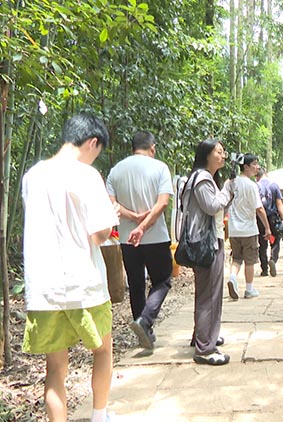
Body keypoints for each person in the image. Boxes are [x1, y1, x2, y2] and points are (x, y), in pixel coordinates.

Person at [22, 112, 120, 422]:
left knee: (55, 369)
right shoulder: (86, 175)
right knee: (103, 351)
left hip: (44, 288)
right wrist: (113, 211)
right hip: (84, 284)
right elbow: (100, 233)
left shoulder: (32, 176)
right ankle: (99, 415)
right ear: (92, 142)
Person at [106, 131, 174, 350]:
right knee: (162, 281)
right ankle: (145, 322)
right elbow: (163, 203)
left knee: (136, 284)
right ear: (152, 147)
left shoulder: (116, 170)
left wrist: (132, 218)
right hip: (155, 237)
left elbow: (111, 204)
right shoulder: (160, 167)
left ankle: (143, 331)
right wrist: (143, 225)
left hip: (127, 239)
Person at [181, 138, 234, 365]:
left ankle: (203, 336)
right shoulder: (202, 179)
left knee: (206, 292)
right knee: (210, 296)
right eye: (219, 152)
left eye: (223, 153)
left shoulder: (202, 178)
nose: (223, 156)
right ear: (206, 155)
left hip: (205, 241)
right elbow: (212, 206)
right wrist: (228, 189)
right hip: (207, 244)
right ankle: (205, 349)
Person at [226, 154, 271, 299]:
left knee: (237, 258)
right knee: (250, 260)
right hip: (249, 229)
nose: (257, 167)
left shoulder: (231, 182)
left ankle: (233, 277)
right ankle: (249, 289)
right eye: (254, 164)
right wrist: (267, 227)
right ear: (246, 166)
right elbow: (259, 209)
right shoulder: (251, 185)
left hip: (234, 229)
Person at [256, 167, 283, 277]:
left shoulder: (256, 186)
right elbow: (279, 203)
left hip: (260, 218)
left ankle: (264, 269)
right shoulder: (274, 185)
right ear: (266, 174)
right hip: (273, 218)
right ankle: (273, 259)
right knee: (275, 241)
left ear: (257, 176)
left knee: (262, 244)